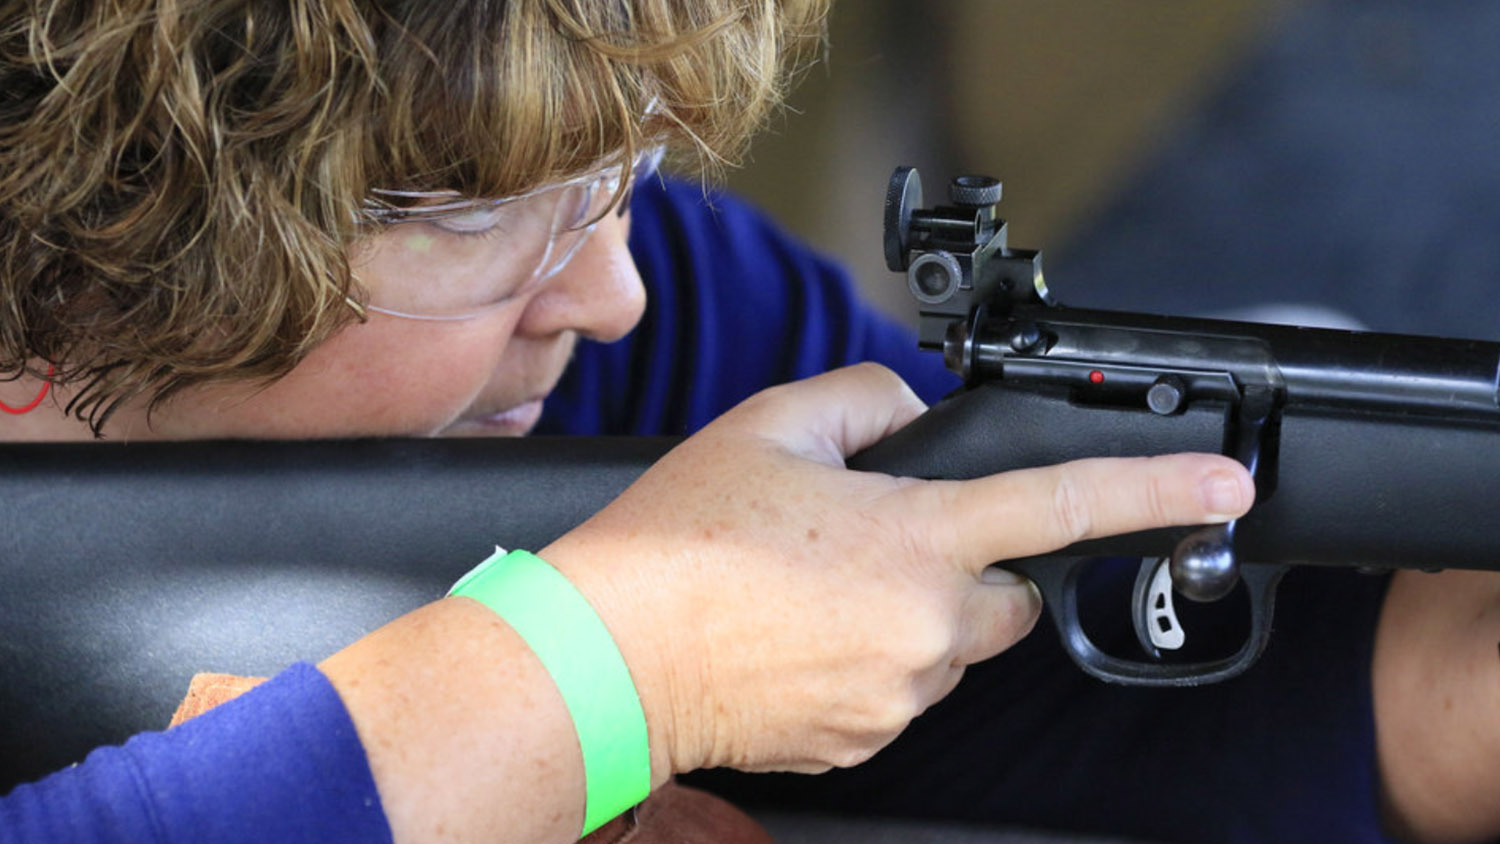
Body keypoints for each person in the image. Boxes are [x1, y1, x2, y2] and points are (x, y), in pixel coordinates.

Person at [0, 3, 1489, 844]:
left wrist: (1437, 697)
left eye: (622, 170)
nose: (615, 291)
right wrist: (620, 668)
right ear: (77, 234)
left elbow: (1031, 701)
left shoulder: (677, 314)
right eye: (467, 210)